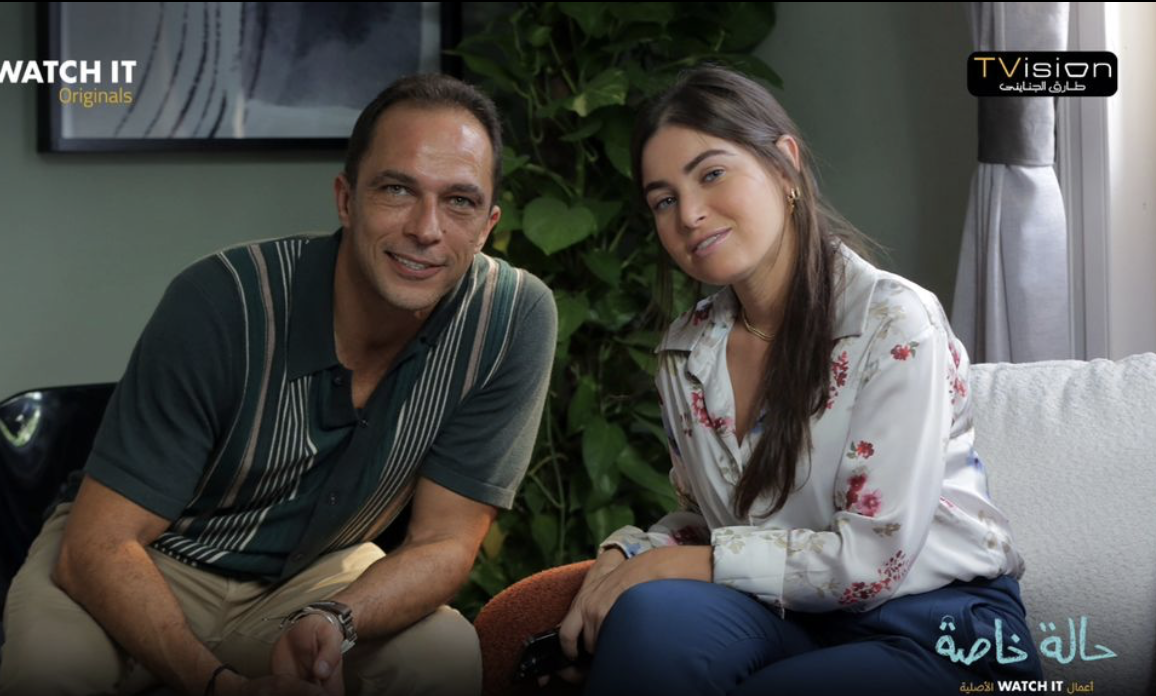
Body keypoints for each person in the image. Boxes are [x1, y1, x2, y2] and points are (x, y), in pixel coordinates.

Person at [0, 74, 557, 696]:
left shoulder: (511, 319)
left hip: (313, 574)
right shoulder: (224, 300)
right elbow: (98, 545)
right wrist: (219, 686)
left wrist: (336, 618)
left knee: (441, 653)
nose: (427, 229)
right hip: (145, 559)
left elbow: (444, 540)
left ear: (487, 225)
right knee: (53, 672)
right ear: (346, 200)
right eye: (397, 189)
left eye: (459, 201)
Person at [556, 65, 1043, 696]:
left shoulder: (893, 322)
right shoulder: (684, 350)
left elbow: (871, 563)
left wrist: (670, 565)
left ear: (785, 165)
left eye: (711, 174)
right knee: (650, 621)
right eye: (664, 201)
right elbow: (713, 522)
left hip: (938, 626)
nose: (690, 214)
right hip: (791, 617)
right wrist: (626, 555)